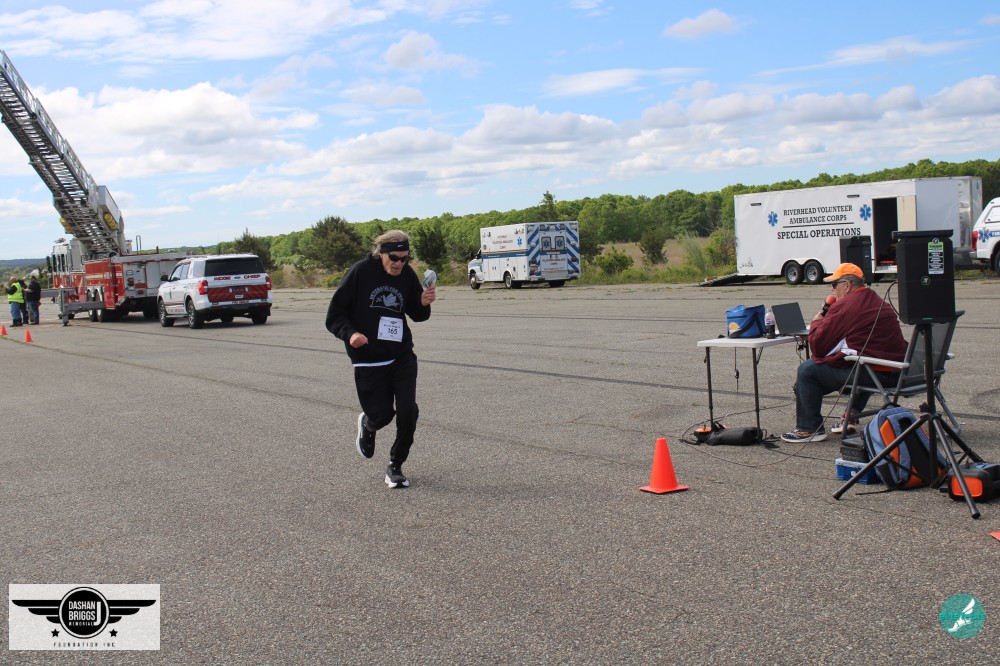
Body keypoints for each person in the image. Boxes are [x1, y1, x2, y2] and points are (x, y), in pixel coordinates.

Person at [325, 230, 436, 488]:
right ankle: (369, 423)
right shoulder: (360, 272)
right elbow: (335, 314)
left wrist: (422, 302)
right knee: (383, 414)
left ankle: (396, 465)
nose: (399, 264)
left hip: (401, 355)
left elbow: (417, 314)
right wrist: (350, 334)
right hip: (369, 359)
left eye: (405, 258)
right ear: (381, 254)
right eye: (394, 258)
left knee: (408, 410)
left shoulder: (406, 275)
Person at [780, 263, 907, 443]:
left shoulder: (846, 305)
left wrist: (818, 320)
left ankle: (809, 428)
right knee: (860, 360)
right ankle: (851, 414)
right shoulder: (877, 301)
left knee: (807, 370)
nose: (832, 290)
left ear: (847, 285)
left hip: (874, 374)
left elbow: (818, 347)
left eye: (834, 284)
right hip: (898, 372)